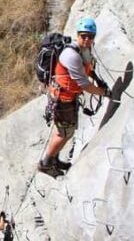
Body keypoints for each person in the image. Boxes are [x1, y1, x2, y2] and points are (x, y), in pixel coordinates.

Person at [39, 17, 112, 176]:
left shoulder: (84, 49)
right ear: (78, 35)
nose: (87, 39)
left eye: (90, 36)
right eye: (83, 36)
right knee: (64, 132)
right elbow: (85, 85)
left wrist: (98, 80)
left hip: (68, 97)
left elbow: (86, 68)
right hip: (62, 99)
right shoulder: (71, 55)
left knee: (65, 131)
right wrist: (105, 93)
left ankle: (55, 159)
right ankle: (45, 164)